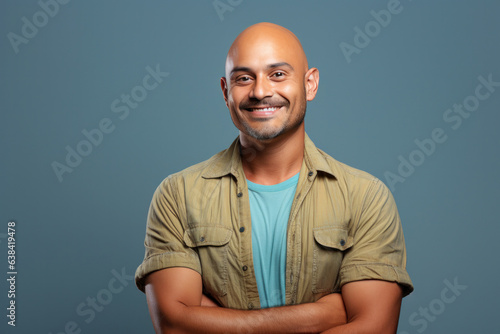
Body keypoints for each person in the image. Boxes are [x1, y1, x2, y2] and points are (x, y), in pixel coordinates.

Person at [135, 22, 413, 333]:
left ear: (310, 84)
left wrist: (217, 321)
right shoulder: (178, 195)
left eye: (278, 74)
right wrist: (321, 315)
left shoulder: (366, 198)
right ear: (226, 91)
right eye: (243, 78)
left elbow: (374, 328)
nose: (260, 91)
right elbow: (176, 326)